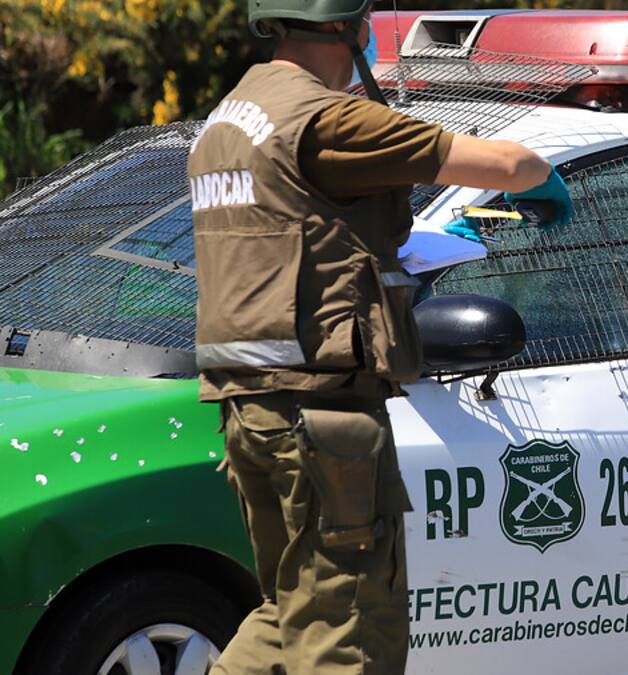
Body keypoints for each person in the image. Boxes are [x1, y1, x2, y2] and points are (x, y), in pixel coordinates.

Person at [187, 1, 571, 672]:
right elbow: (507, 164)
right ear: (346, 27)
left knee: (291, 613)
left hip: (248, 409)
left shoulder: (224, 122)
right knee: (354, 628)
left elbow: (301, 237)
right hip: (320, 412)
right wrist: (544, 177)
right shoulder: (326, 118)